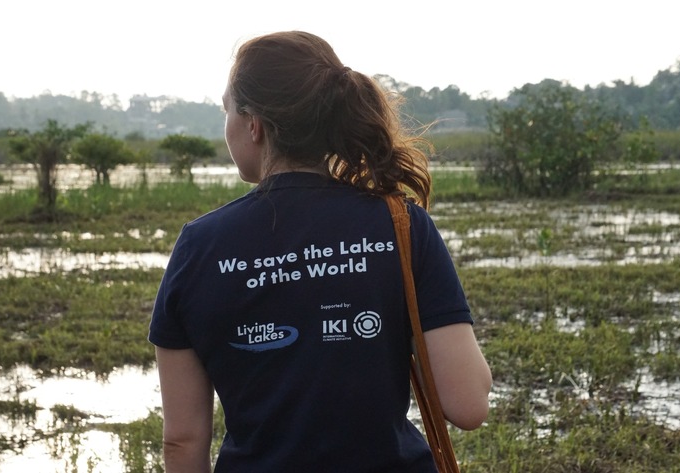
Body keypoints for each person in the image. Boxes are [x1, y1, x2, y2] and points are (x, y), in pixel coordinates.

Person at [149, 30, 492, 473]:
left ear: (254, 124)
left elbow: (182, 440)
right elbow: (468, 404)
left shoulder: (199, 245)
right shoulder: (401, 224)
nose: (227, 125)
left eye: (226, 111)